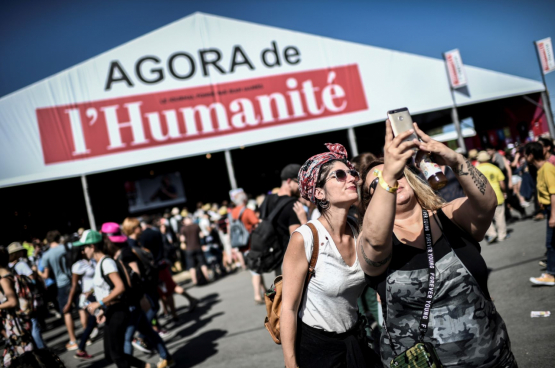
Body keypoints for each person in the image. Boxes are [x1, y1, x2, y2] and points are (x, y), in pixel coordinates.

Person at [358, 121, 517, 367]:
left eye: (399, 174)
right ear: (371, 201)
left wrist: (455, 160)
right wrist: (387, 172)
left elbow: (486, 206)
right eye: (377, 183)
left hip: (493, 359)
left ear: (410, 178)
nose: (392, 182)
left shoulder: (448, 215)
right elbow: (375, 244)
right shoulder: (372, 241)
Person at [281, 143, 375, 368]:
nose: (351, 178)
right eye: (339, 175)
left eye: (352, 172)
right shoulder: (305, 238)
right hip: (317, 347)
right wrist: (291, 364)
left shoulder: (359, 229)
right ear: (319, 193)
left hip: (356, 337)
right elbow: (288, 308)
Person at [100, 222, 175, 368]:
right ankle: (167, 357)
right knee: (148, 331)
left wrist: (140, 297)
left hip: (133, 301)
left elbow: (136, 276)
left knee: (126, 339)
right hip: (134, 300)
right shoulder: (118, 254)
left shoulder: (125, 253)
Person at [80, 230, 151, 368]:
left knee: (117, 355)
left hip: (118, 311)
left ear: (92, 246)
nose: (83, 251)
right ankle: (145, 366)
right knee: (109, 354)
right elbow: (107, 289)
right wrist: (102, 309)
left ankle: (145, 366)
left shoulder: (107, 263)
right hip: (110, 310)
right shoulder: (100, 263)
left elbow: (120, 287)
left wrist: (99, 303)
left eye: (84, 247)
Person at [258, 163, 303, 275]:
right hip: (290, 259)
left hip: (274, 256)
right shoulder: (293, 204)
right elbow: (296, 237)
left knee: (280, 289)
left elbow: (260, 224)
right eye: (299, 182)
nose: (301, 187)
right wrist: (303, 220)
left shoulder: (267, 200)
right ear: (289, 181)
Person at [40, 230, 77, 350]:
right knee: (82, 307)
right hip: (74, 279)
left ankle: (73, 340)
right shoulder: (66, 247)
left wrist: (36, 271)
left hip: (61, 284)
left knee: (67, 312)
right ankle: (90, 332)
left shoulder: (46, 255)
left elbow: (45, 275)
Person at [525, 142, 555, 286]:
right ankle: (550, 272)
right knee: (552, 243)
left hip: (553, 209)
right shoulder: (542, 169)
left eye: (526, 154)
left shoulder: (547, 168)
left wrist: (553, 215)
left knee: (551, 244)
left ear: (530, 156)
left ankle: (550, 274)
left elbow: (554, 193)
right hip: (549, 208)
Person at [66, 231, 99, 359]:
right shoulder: (78, 265)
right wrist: (69, 303)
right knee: (91, 323)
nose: (84, 250)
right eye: (82, 248)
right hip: (90, 296)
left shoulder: (93, 260)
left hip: (98, 294)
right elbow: (74, 285)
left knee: (92, 323)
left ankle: (81, 348)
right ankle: (80, 348)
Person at [7, 242, 46, 350]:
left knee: (27, 326)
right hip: (28, 299)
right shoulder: (21, 264)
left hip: (18, 299)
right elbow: (32, 280)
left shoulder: (8, 267)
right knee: (34, 325)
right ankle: (42, 349)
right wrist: (33, 272)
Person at [0, 246, 35, 367]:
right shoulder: (10, 274)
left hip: (16, 327)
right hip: (16, 326)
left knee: (21, 361)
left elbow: (13, 302)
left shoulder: (3, 281)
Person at [230, 191, 263, 304]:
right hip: (251, 244)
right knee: (256, 272)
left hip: (241, 245)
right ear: (244, 200)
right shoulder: (247, 211)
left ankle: (266, 291)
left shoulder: (232, 212)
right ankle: (257, 296)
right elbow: (256, 223)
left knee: (255, 269)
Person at [476, 151, 508, 243]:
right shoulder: (494, 168)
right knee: (500, 216)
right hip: (497, 195)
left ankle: (492, 233)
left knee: (486, 217)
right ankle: (502, 235)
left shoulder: (475, 170)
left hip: (483, 197)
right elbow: (502, 183)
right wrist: (504, 192)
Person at [180, 217, 210, 285]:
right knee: (202, 263)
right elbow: (201, 235)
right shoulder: (196, 226)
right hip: (198, 247)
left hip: (189, 249)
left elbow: (182, 239)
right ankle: (207, 277)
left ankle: (194, 281)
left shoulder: (183, 229)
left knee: (192, 266)